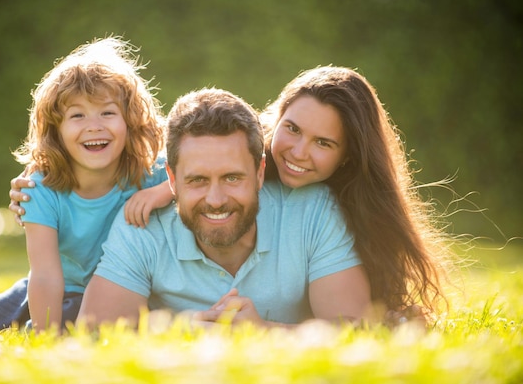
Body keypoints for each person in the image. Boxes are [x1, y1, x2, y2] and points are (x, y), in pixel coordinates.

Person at [0, 36, 172, 340]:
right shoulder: (41, 188)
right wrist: (47, 338)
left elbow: (197, 179)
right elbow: (44, 276)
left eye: (107, 112)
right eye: (77, 115)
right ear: (56, 131)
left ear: (130, 122)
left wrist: (163, 192)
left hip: (113, 294)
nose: (93, 125)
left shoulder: (151, 174)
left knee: (78, 325)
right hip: (50, 286)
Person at [76, 87, 371, 329]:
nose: (215, 199)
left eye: (232, 178)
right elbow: (93, 335)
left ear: (259, 173)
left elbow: (354, 334)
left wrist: (262, 332)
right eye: (198, 180)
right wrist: (178, 329)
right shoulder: (141, 224)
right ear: (172, 179)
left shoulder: (312, 210)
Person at [260, 65, 453, 323]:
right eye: (293, 129)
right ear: (278, 119)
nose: (298, 152)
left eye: (322, 142)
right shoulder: (239, 168)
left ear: (348, 155)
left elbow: (351, 323)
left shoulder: (355, 209)